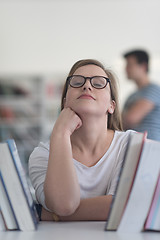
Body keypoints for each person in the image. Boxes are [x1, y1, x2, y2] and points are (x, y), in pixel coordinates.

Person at [29, 59, 134, 222]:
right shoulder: (42, 155)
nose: (87, 86)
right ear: (65, 102)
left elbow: (125, 206)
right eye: (77, 82)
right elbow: (63, 205)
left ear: (111, 105)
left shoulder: (131, 145)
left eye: (99, 83)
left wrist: (46, 214)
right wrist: (60, 132)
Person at [122, 49, 160, 141]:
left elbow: (131, 119)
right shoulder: (132, 95)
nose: (126, 69)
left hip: (150, 146)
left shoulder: (153, 89)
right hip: (135, 145)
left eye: (129, 65)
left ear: (143, 66)